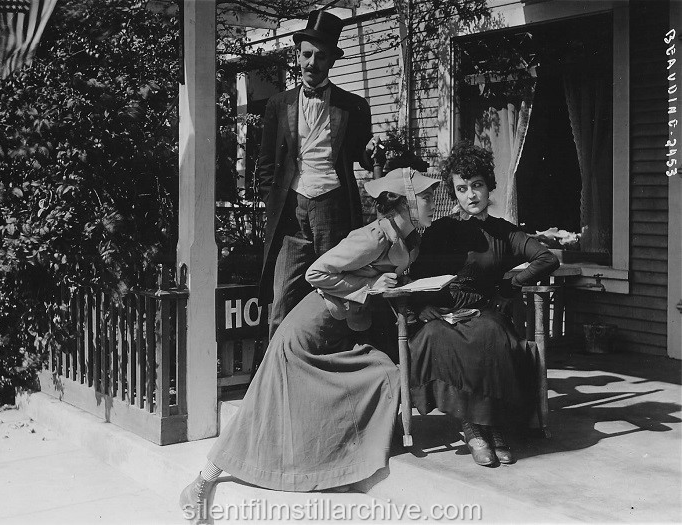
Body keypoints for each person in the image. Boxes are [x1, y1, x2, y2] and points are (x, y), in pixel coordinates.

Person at [179, 169, 440, 520]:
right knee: (264, 406)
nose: (431, 202)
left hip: (334, 330)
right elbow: (316, 272)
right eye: (424, 197)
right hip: (307, 331)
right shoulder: (374, 236)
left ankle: (339, 466)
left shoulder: (405, 239)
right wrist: (373, 283)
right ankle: (202, 482)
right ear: (404, 204)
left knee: (379, 375)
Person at [408, 141, 559, 467]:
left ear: (488, 187)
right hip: (442, 310)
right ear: (455, 193)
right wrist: (421, 308)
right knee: (437, 336)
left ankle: (493, 426)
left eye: (476, 185)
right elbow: (416, 276)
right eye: (462, 188)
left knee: (492, 334)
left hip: (482, 309)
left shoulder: (504, 232)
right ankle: (472, 427)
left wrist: (510, 285)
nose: (471, 195)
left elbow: (545, 259)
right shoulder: (440, 231)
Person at [257, 9, 377, 340]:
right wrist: (275, 202)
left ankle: (329, 374)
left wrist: (377, 150)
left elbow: (363, 157)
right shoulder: (278, 104)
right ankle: (276, 380)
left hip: (333, 210)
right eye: (307, 54)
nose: (313, 63)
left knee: (334, 299)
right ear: (297, 55)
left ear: (331, 61)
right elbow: (266, 162)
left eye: (321, 57)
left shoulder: (353, 106)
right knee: (281, 302)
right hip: (291, 212)